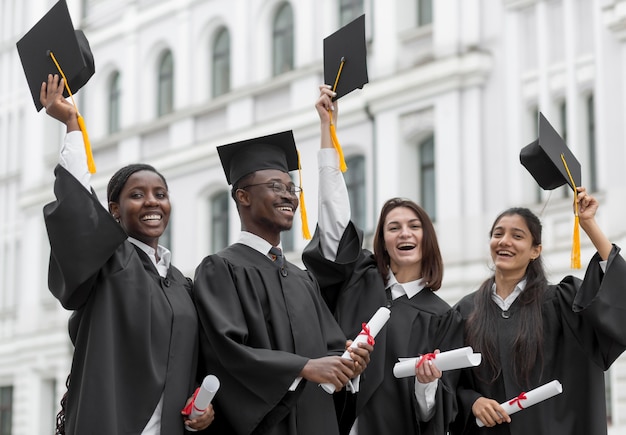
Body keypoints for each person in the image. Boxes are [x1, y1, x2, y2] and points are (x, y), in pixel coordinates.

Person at [41, 74, 213, 434]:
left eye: (160, 194)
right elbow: (77, 212)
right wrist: (72, 125)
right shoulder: (110, 262)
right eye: (137, 194)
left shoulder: (182, 283)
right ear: (114, 211)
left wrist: (203, 409)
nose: (152, 201)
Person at [301, 85, 462, 435]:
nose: (404, 234)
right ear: (382, 242)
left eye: (413, 226)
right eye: (393, 227)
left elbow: (440, 411)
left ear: (426, 238)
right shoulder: (358, 277)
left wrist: (426, 386)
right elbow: (334, 224)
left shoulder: (442, 317)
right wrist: (327, 130)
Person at [192, 130, 372, 435]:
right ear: (243, 196)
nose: (289, 195)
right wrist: (303, 367)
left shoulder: (303, 279)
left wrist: (346, 363)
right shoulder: (220, 270)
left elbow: (330, 348)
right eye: (276, 187)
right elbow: (227, 354)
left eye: (292, 188)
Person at [451, 190, 626, 435]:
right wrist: (473, 402)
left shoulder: (562, 303)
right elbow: (448, 383)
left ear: (536, 250)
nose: (504, 241)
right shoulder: (465, 311)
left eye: (517, 235)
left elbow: (617, 300)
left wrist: (589, 224)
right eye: (497, 234)